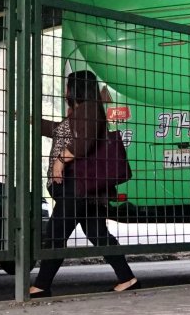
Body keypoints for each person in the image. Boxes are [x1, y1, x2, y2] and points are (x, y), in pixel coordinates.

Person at [30, 71, 138, 297]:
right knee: (98, 233)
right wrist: (31, 120)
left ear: (76, 89)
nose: (65, 91)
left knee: (56, 233)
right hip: (85, 188)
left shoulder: (88, 109)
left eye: (68, 86)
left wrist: (60, 160)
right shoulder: (80, 113)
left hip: (77, 185)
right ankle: (127, 278)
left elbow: (84, 143)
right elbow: (58, 131)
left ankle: (41, 285)